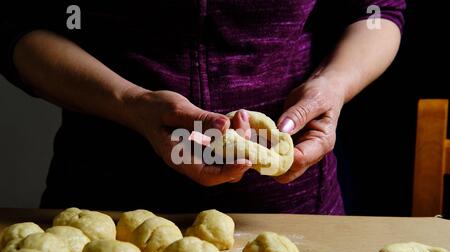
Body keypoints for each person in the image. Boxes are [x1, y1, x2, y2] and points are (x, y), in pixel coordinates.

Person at [0, 1, 406, 214]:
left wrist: (332, 85)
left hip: (290, 208)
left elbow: (376, 12)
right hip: (106, 204)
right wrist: (131, 102)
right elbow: (16, 24)